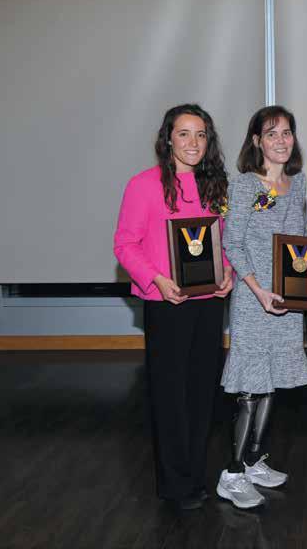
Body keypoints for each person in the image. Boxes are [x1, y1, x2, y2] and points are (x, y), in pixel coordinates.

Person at [113, 103, 233, 510]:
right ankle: (175, 483)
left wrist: (228, 272)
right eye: (184, 134)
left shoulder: (216, 186)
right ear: (168, 139)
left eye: (200, 134)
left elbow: (224, 241)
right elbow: (125, 245)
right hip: (166, 304)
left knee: (201, 392)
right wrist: (156, 280)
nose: (193, 142)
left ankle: (195, 473)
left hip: (208, 304)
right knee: (170, 395)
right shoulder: (143, 185)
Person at [216, 105, 307, 509]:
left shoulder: (298, 182)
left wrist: (306, 287)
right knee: (250, 388)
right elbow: (232, 243)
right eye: (271, 133)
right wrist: (258, 291)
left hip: (287, 300)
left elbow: (301, 239)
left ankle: (254, 461)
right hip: (255, 300)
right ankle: (232, 474)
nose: (281, 140)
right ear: (256, 141)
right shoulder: (243, 186)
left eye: (287, 132)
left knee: (272, 380)